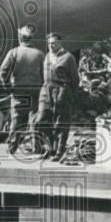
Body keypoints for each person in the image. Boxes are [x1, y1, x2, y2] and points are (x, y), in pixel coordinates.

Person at [0, 25, 45, 156]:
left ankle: (12, 147)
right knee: (35, 119)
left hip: (19, 91)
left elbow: (3, 71)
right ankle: (37, 147)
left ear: (20, 38)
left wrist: (7, 86)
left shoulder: (14, 52)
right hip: (36, 91)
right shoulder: (40, 54)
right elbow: (46, 74)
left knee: (17, 119)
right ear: (32, 39)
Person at [36, 32, 79, 160]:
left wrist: (68, 94)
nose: (51, 46)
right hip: (46, 89)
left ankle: (59, 151)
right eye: (49, 44)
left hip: (62, 90)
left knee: (61, 121)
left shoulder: (68, 57)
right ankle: (49, 148)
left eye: (53, 43)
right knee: (41, 119)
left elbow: (75, 79)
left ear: (60, 43)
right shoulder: (48, 56)